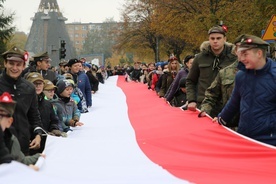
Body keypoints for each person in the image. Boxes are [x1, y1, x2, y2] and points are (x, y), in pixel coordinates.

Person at [216, 35, 276, 146]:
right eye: (240, 54)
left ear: (259, 53)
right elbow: (233, 103)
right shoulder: (241, 76)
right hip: (244, 139)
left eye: (245, 54)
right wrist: (219, 120)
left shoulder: (274, 76)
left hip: (269, 143)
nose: (241, 59)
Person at [0, 46, 44, 156]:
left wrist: (38, 135)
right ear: (5, 63)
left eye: (18, 64)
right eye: (11, 63)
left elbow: (34, 116)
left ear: (24, 66)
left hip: (23, 147)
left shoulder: (29, 88)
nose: (14, 67)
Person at [186, 26, 237, 115]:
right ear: (209, 39)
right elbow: (190, 81)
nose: (215, 41)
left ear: (225, 39)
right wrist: (191, 100)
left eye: (218, 38)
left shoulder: (233, 58)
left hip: (227, 105)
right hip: (204, 104)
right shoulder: (200, 58)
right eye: (212, 38)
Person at [198, 34, 246, 128]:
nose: (244, 52)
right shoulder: (224, 73)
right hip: (231, 126)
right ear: (235, 51)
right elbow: (211, 94)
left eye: (247, 49)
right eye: (240, 49)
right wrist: (205, 110)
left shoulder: (263, 73)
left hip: (257, 128)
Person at [0, 92, 43, 168]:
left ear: (9, 122)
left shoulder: (11, 139)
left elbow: (20, 161)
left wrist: (39, 157)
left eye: (0, 116)